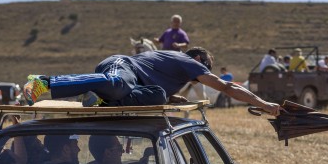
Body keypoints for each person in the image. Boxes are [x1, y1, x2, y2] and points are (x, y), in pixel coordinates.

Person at [23, 47, 281, 116]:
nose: (202, 73)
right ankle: (44, 83)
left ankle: (100, 99)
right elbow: (227, 87)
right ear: (199, 59)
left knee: (157, 95)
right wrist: (265, 103)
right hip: (121, 67)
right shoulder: (186, 60)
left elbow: (154, 89)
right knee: (118, 85)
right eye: (204, 68)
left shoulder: (173, 69)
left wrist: (170, 97)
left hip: (131, 80)